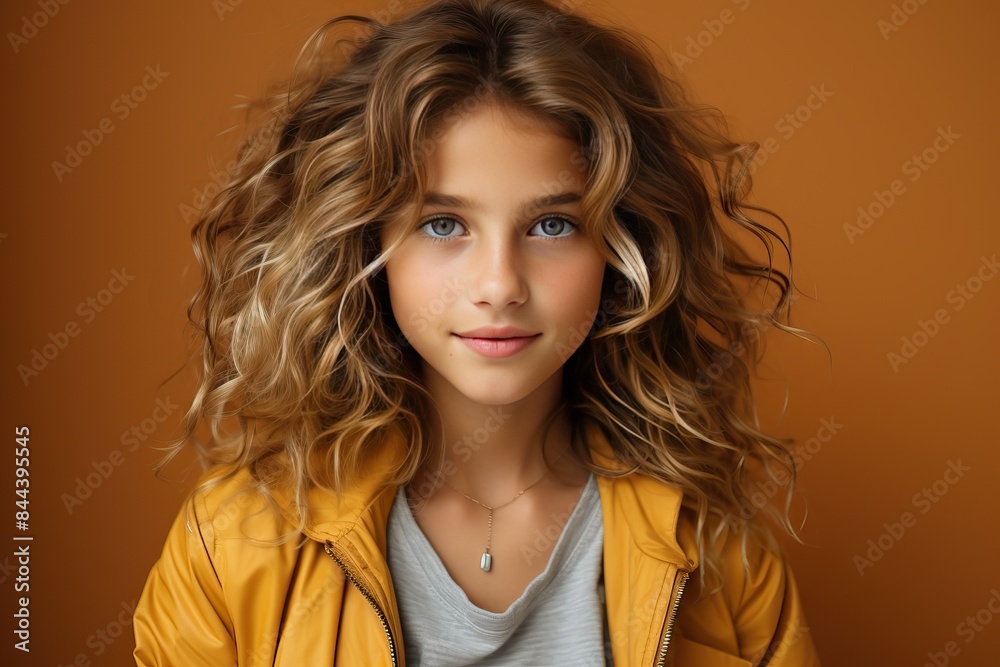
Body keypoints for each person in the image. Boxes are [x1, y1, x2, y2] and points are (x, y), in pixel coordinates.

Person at [133, 0, 822, 664]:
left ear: (619, 250)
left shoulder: (721, 554)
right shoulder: (232, 547)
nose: (500, 284)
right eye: (443, 224)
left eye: (552, 224)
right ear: (369, 250)